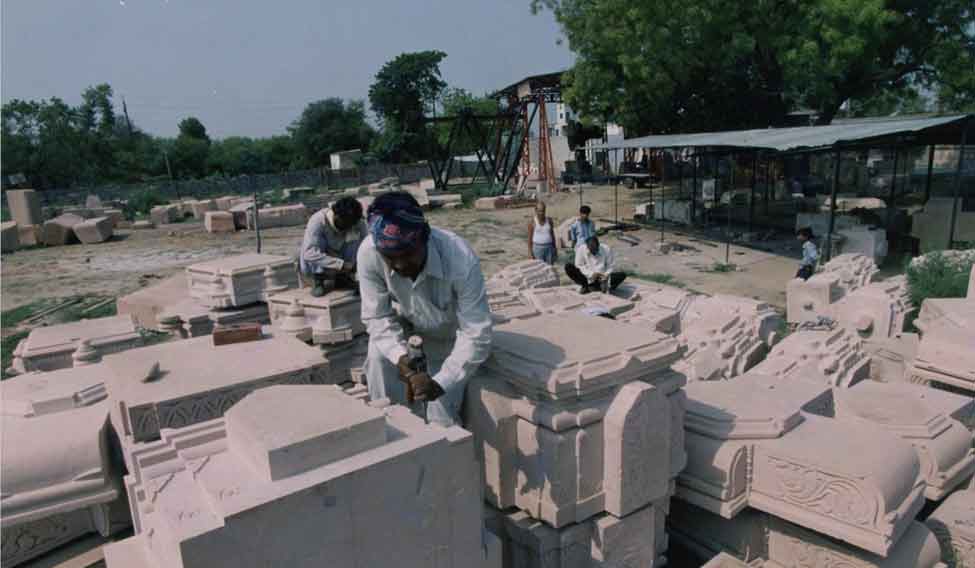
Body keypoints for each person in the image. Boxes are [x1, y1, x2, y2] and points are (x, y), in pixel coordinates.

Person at [358, 191, 493, 427]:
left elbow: (476, 333)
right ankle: (390, 426)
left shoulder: (459, 257)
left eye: (408, 254)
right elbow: (377, 317)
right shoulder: (370, 252)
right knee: (378, 356)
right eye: (390, 258)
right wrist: (399, 357)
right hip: (410, 337)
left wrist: (441, 382)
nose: (400, 265)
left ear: (426, 237)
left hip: (450, 342)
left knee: (441, 419)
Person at [299, 197, 367, 297]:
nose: (349, 226)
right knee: (317, 245)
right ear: (337, 216)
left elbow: (367, 242)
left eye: (352, 223)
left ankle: (342, 278)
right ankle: (318, 280)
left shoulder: (357, 222)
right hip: (319, 262)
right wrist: (342, 265)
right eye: (347, 223)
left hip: (340, 257)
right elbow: (309, 253)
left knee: (355, 238)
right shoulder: (318, 221)